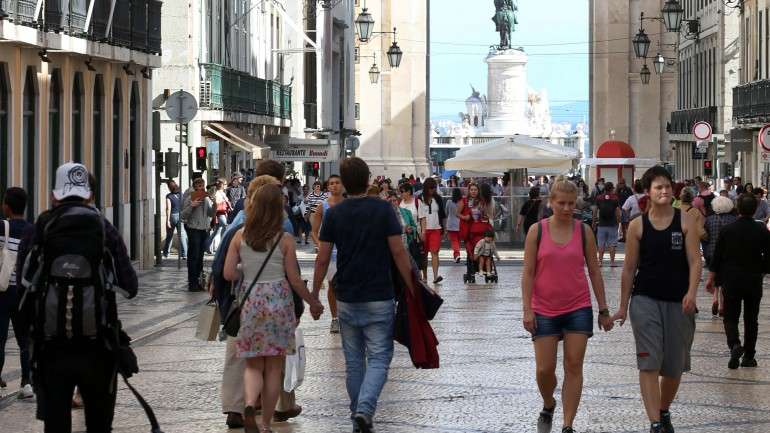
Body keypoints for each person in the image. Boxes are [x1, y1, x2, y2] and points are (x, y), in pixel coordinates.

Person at [16, 163, 138, 433]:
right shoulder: (105, 229)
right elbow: (130, 287)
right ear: (90, 195)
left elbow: (23, 286)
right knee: (98, 425)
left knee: (56, 426)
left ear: (55, 195)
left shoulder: (40, 229)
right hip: (98, 348)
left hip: (51, 349)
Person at [312, 157, 416, 433]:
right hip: (378, 293)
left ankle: (358, 412)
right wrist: (413, 286)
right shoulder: (383, 210)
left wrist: (314, 295)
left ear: (344, 183)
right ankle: (364, 410)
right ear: (368, 178)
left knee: (354, 360)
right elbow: (398, 251)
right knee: (380, 357)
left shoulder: (335, 213)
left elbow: (322, 259)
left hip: (347, 295)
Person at [223, 183, 323, 433]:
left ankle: (248, 404)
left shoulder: (240, 235)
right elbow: (295, 279)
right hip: (279, 304)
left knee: (253, 365)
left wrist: (244, 269)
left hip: (251, 303)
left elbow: (227, 273)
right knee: (274, 368)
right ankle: (265, 423)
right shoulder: (285, 239)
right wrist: (313, 301)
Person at [612, 166, 700, 433]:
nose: (663, 191)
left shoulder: (685, 221)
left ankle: (663, 411)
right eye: (658, 187)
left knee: (673, 366)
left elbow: (695, 261)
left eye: (667, 186)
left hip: (678, 301)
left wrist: (692, 293)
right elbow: (629, 269)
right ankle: (654, 423)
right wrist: (623, 306)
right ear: (648, 192)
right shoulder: (638, 225)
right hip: (645, 300)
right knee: (649, 361)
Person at [521, 180, 613, 433]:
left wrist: (603, 309)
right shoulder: (536, 232)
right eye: (561, 203)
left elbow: (594, 271)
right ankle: (549, 403)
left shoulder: (584, 231)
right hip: (544, 308)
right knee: (544, 369)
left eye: (571, 204)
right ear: (550, 202)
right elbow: (528, 272)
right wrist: (527, 309)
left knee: (574, 365)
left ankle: (567, 424)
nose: (565, 208)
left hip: (578, 307)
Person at [214, 162, 300, 429]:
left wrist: (225, 293)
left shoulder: (239, 224)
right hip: (271, 301)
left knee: (240, 356)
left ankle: (235, 407)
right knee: (275, 358)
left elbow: (221, 268)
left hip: (241, 302)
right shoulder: (282, 225)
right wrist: (300, 305)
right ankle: (280, 406)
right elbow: (291, 274)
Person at [707, 193, 770, 369]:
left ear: (738, 208)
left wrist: (711, 278)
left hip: (731, 279)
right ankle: (749, 356)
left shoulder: (727, 230)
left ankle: (734, 344)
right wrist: (763, 270)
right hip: (753, 279)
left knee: (731, 316)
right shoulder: (761, 230)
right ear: (755, 209)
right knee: (751, 319)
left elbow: (717, 257)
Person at [0, 188, 33, 399]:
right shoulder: (33, 230)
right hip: (24, 293)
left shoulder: (2, 227)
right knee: (24, 340)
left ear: (7, 207)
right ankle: (26, 383)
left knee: (0, 338)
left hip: (2, 292)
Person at [312, 175, 345, 334]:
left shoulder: (348, 204)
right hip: (330, 253)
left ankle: (346, 316)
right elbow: (314, 231)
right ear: (328, 187)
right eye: (331, 183)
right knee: (332, 285)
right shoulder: (322, 206)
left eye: (337, 183)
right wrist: (321, 245)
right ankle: (335, 318)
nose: (335, 186)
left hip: (347, 252)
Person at [703, 196, 738, 318]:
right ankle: (722, 305)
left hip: (711, 252)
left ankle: (715, 298)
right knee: (724, 278)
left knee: (715, 275)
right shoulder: (734, 220)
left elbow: (704, 235)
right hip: (728, 253)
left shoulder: (709, 220)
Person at [181, 177, 214, 292]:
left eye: (203, 186)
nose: (201, 189)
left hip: (203, 229)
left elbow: (210, 213)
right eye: (199, 187)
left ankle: (199, 281)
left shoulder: (205, 199)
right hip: (193, 229)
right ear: (195, 188)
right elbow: (183, 215)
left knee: (200, 257)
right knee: (193, 257)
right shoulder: (190, 197)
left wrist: (214, 203)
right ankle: (192, 283)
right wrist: (192, 205)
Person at [417, 178, 446, 284]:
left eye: (434, 188)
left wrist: (444, 228)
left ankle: (435, 276)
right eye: (430, 188)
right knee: (424, 254)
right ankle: (425, 276)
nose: (432, 190)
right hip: (424, 230)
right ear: (426, 188)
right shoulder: (419, 199)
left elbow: (442, 215)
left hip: (436, 229)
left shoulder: (438, 199)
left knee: (435, 252)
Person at [593, 182, 621, 267]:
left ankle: (600, 262)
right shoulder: (615, 198)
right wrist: (619, 221)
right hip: (612, 224)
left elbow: (595, 210)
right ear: (612, 188)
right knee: (612, 244)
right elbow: (617, 211)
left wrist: (594, 221)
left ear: (604, 188)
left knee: (601, 244)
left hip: (601, 224)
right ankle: (612, 262)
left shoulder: (599, 198)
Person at [162, 179, 187, 259]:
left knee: (169, 236)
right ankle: (184, 254)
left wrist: (167, 220)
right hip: (181, 216)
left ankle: (166, 253)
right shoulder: (181, 194)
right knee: (182, 235)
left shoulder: (169, 196)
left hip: (172, 216)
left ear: (169, 188)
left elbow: (168, 208)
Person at [206, 178, 232, 254]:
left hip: (222, 213)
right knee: (226, 227)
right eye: (225, 184)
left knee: (216, 232)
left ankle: (207, 247)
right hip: (219, 213)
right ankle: (223, 247)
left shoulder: (222, 192)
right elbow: (216, 203)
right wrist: (223, 201)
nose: (226, 185)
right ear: (221, 185)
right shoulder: (217, 193)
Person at [445, 188, 463, 263]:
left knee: (454, 241)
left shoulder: (449, 202)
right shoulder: (461, 202)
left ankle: (457, 254)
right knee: (458, 241)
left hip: (451, 224)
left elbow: (446, 212)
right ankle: (455, 256)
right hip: (459, 223)